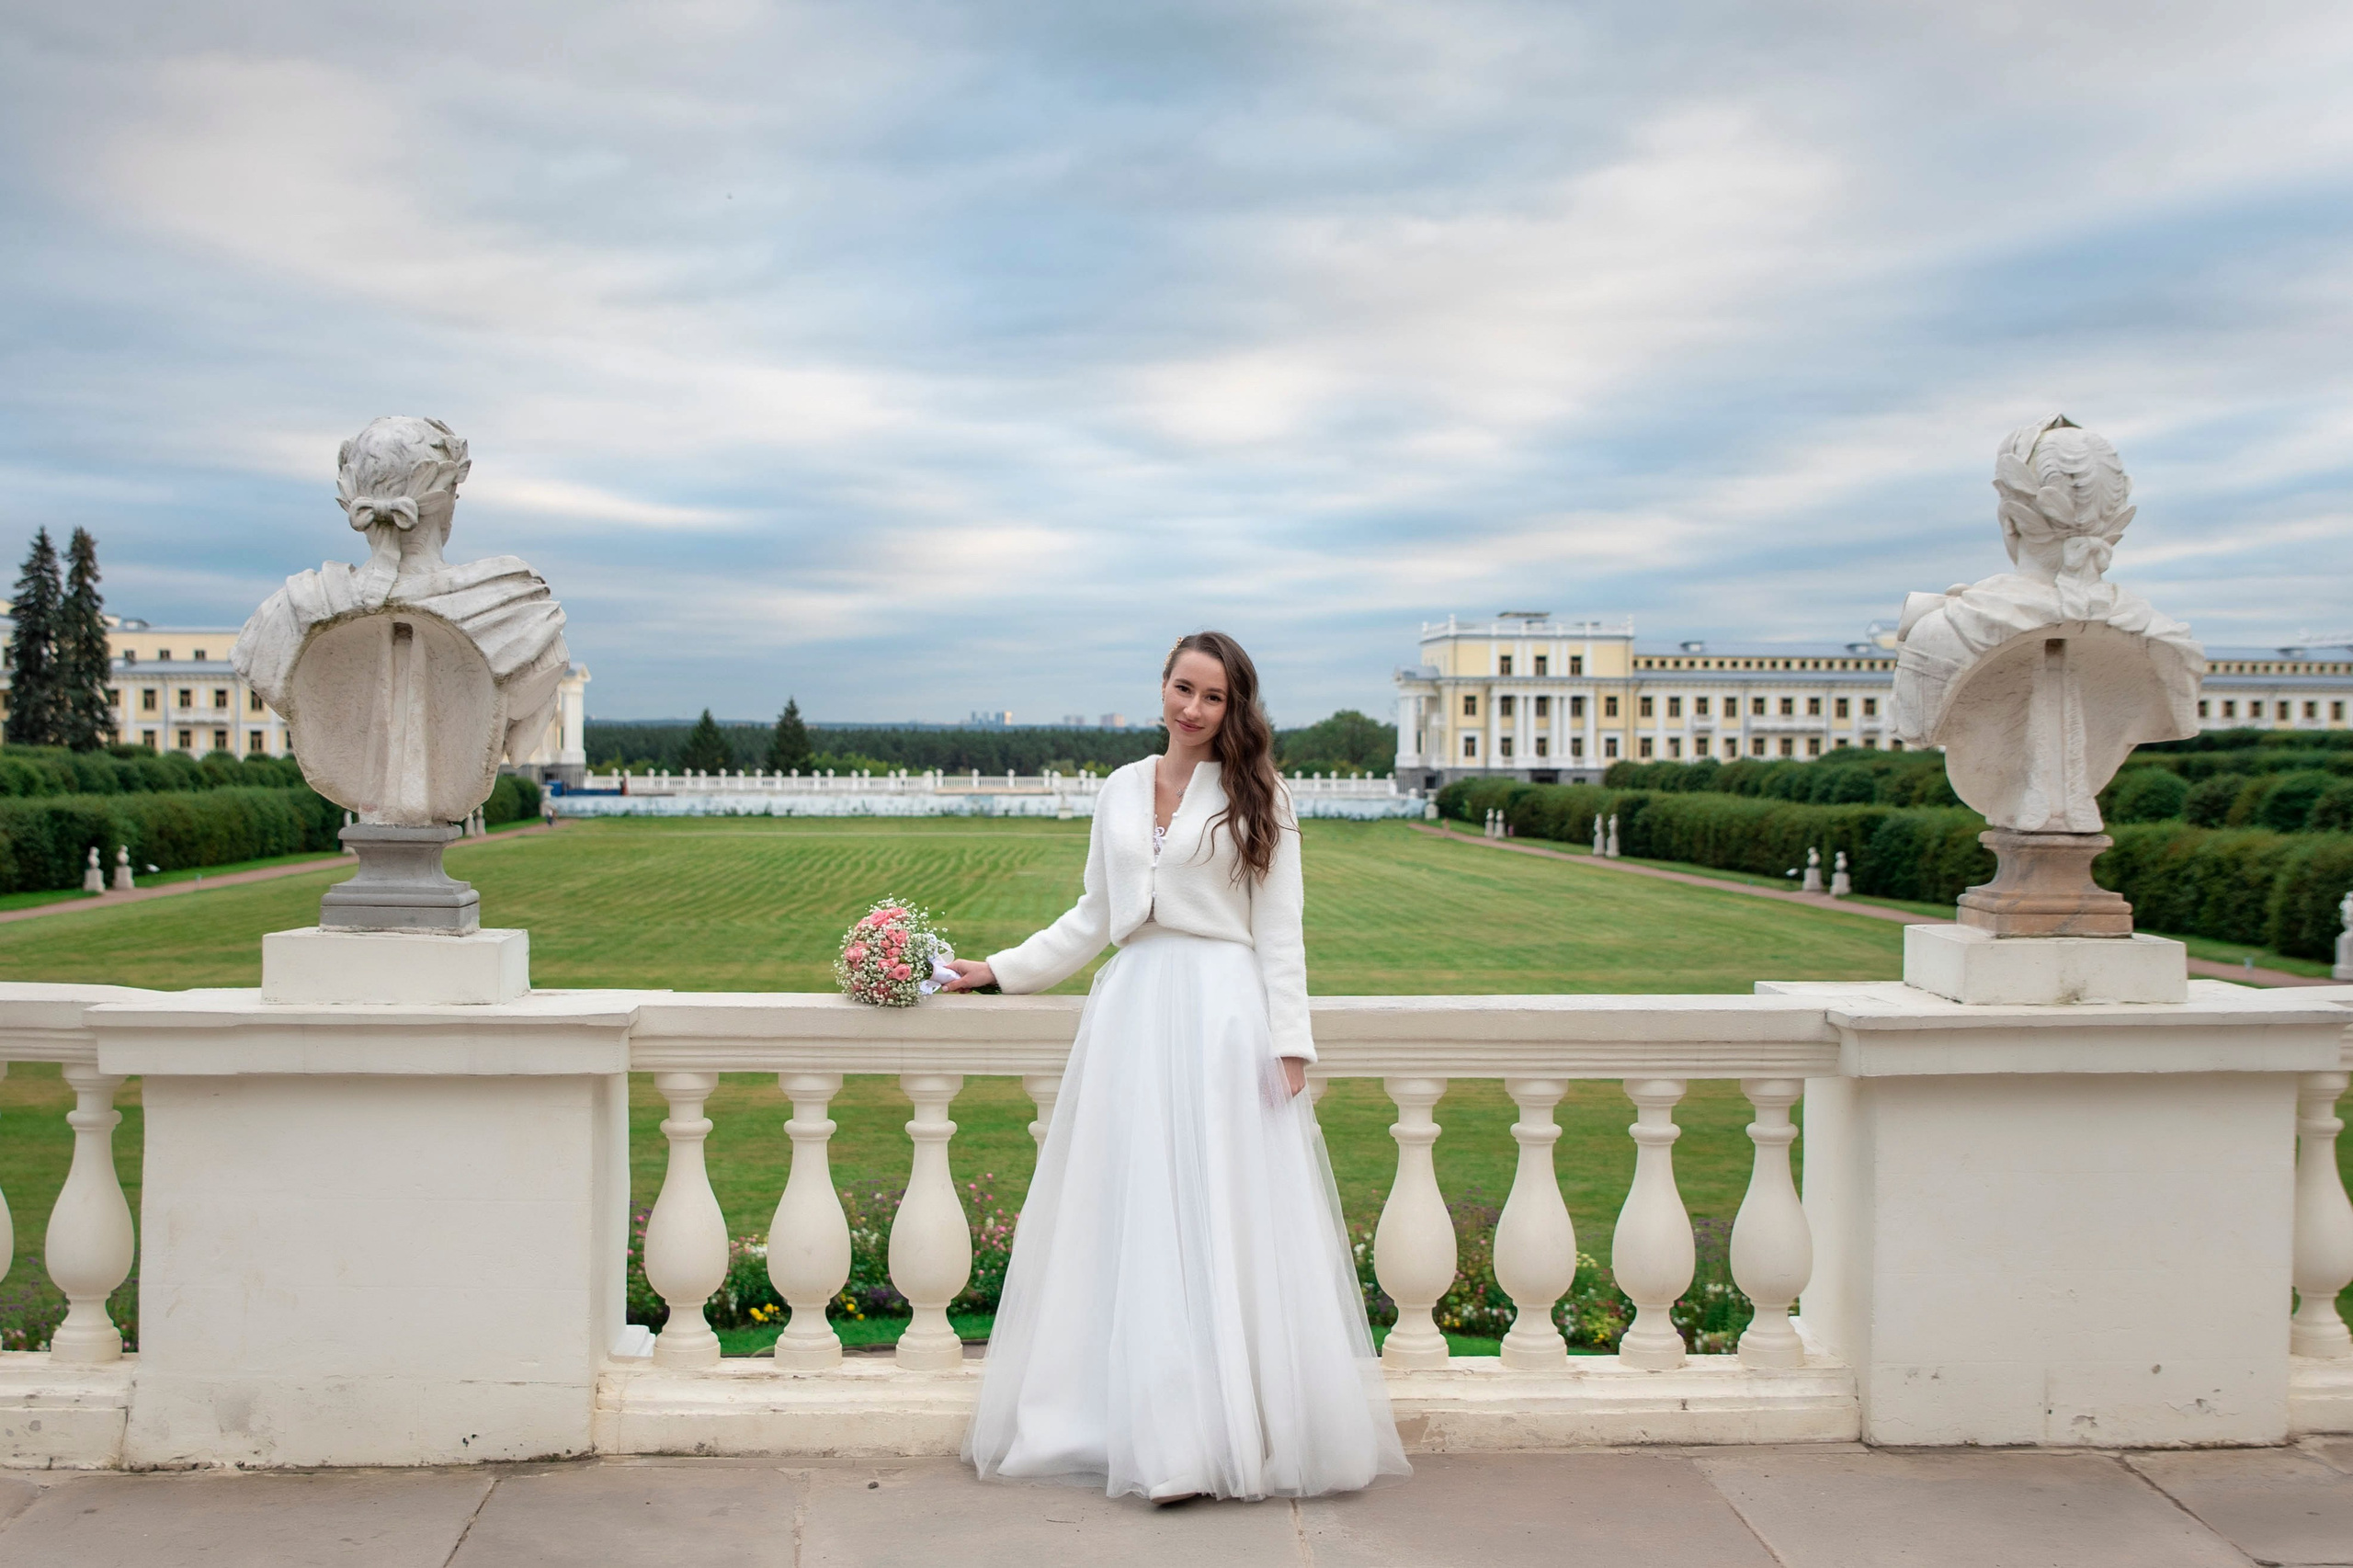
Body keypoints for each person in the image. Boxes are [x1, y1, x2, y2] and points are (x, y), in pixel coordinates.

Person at [942, 631, 1408, 1505]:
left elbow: (1281, 929)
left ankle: (1219, 1435)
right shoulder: (1119, 788)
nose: (1191, 709)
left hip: (1223, 1018)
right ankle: (1148, 1432)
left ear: (1236, 708)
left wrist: (1289, 1043)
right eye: (1181, 688)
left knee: (1219, 1213)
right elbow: (1093, 915)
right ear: (1161, 687)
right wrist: (1000, 970)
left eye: (1212, 697)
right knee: (1135, 1212)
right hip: (1131, 1016)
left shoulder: (1260, 792)